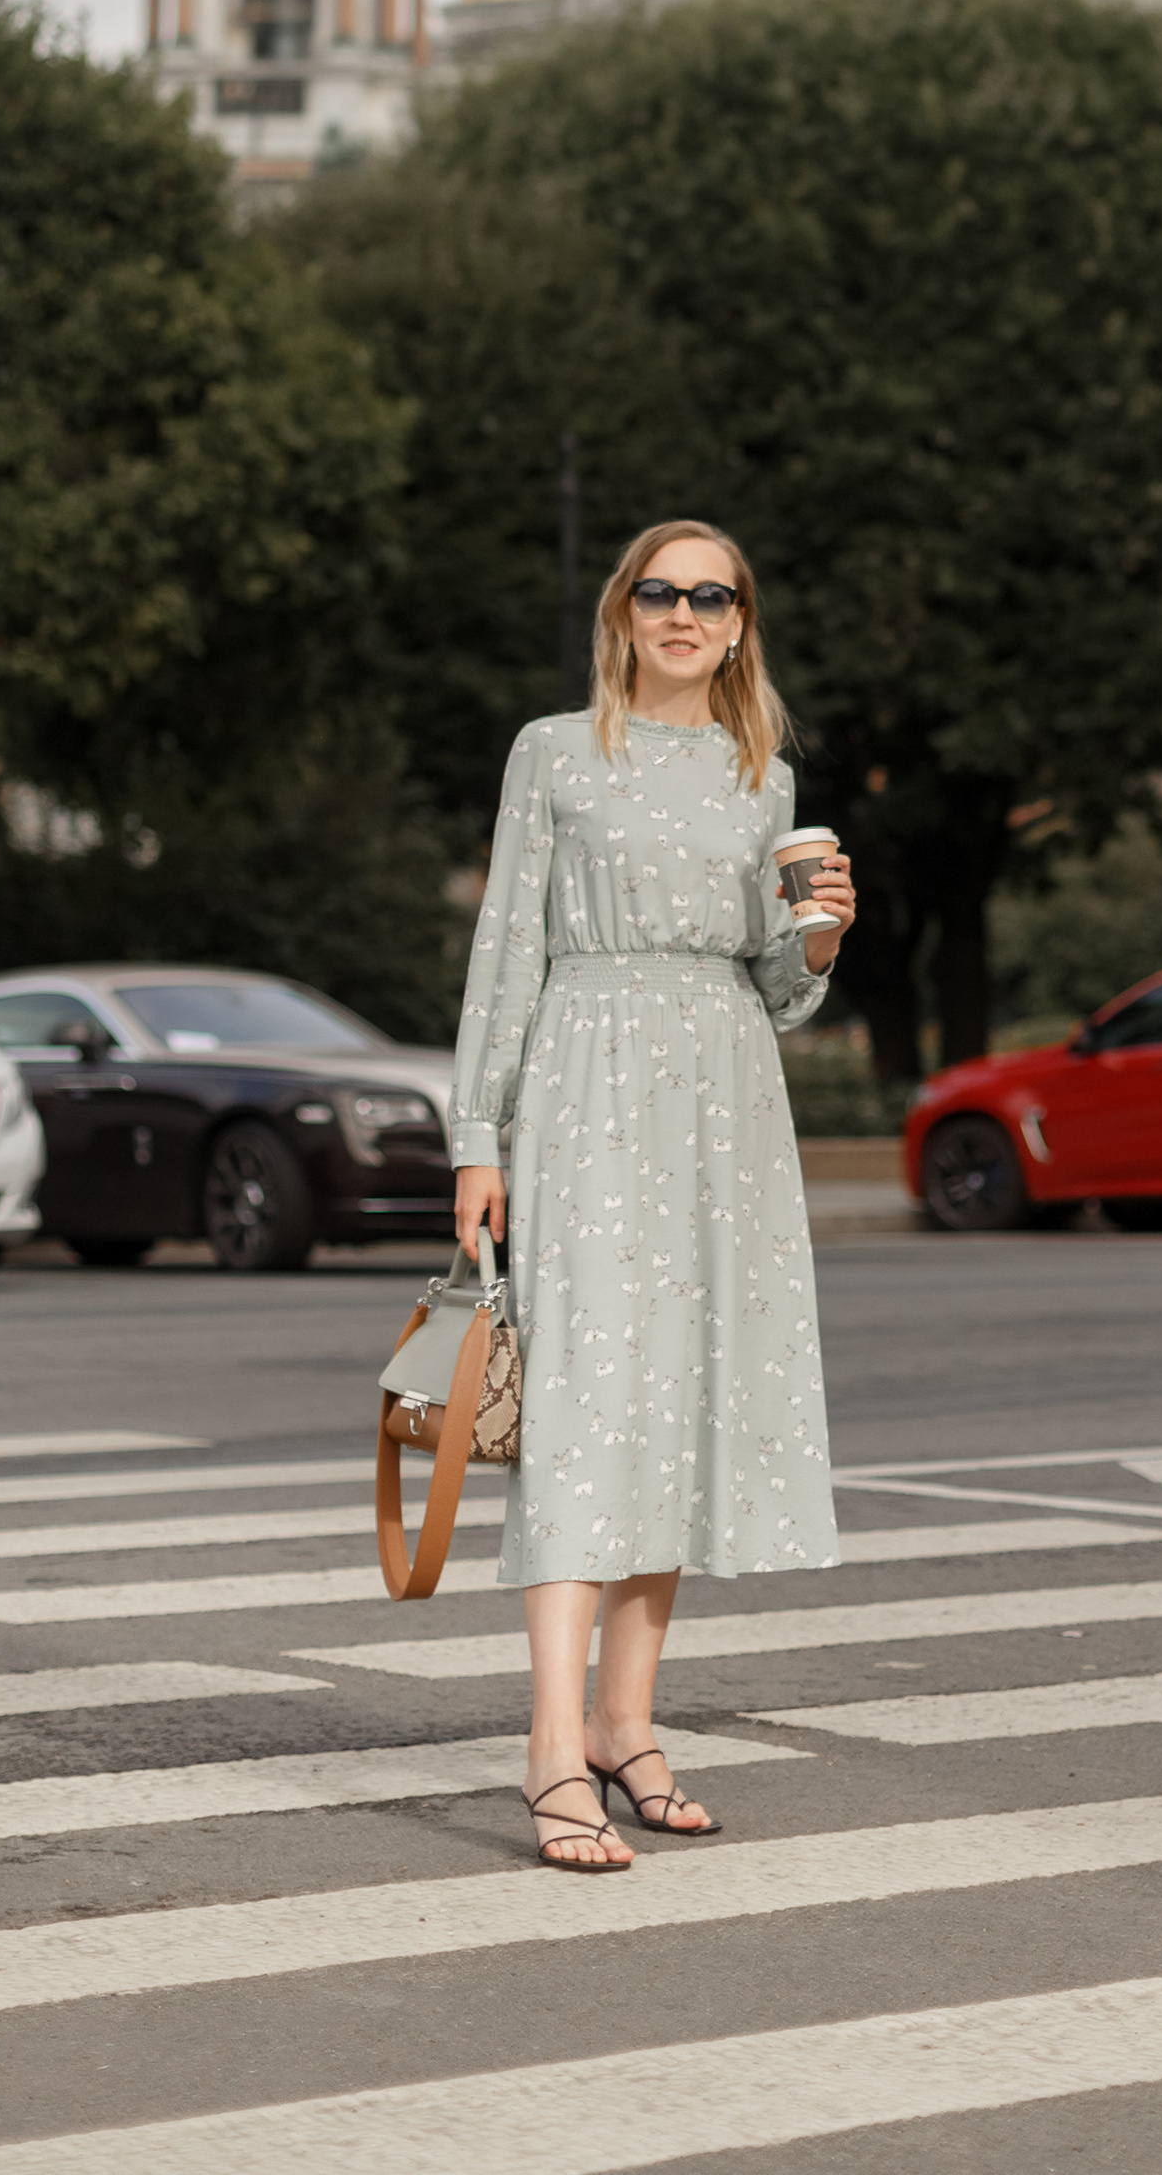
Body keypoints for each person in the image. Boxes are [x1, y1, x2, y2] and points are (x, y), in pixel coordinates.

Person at [449, 518, 854, 1870]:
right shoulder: (555, 753)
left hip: (726, 1102)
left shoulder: (763, 778)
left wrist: (821, 941)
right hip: (586, 1087)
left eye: (710, 596)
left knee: (679, 1404)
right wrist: (475, 1138)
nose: (682, 613)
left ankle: (630, 1720)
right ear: (625, 612)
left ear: (739, 626)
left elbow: (777, 992)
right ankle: (552, 1747)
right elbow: (508, 945)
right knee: (582, 1405)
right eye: (658, 591)